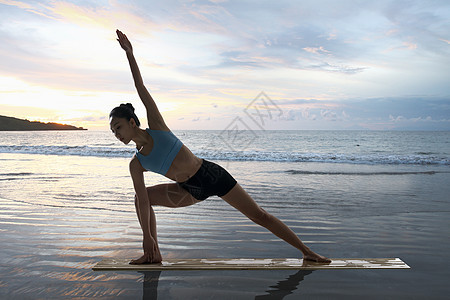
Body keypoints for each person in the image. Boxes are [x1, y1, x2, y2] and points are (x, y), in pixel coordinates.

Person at [111, 30, 330, 264]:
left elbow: (141, 87)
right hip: (188, 190)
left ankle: (306, 251)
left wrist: (130, 55)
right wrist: (147, 237)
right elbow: (143, 201)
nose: (116, 134)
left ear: (132, 123)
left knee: (259, 215)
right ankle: (152, 253)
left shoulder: (157, 126)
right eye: (113, 131)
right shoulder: (137, 164)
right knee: (139, 198)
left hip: (211, 175)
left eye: (119, 127)